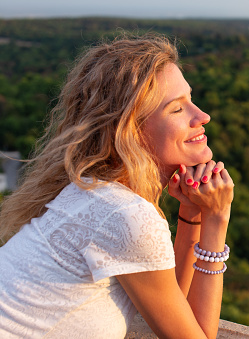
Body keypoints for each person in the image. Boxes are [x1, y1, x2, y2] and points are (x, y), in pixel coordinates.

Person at [0, 33, 234, 339]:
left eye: (191, 100)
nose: (202, 116)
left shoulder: (90, 189)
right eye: (177, 109)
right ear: (130, 131)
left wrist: (193, 215)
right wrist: (217, 220)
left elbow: (168, 305)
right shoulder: (126, 214)